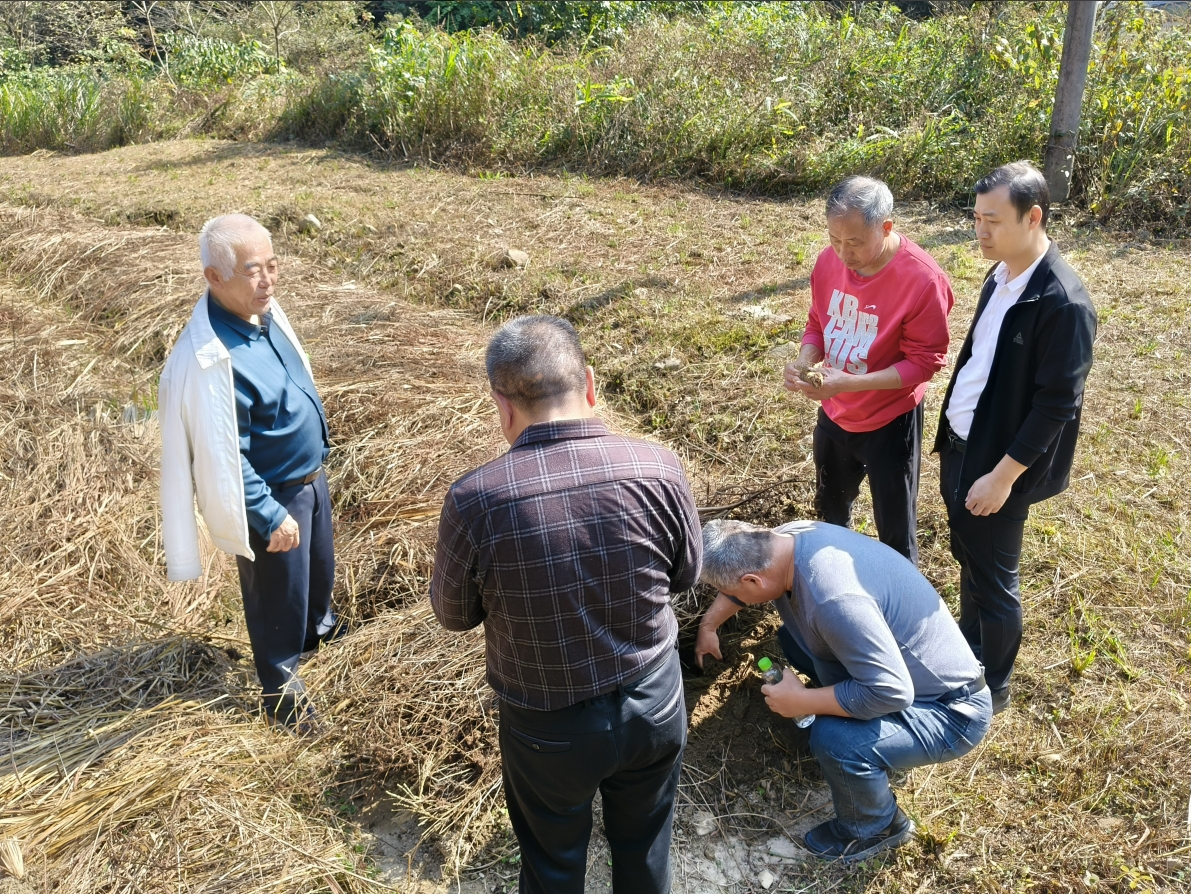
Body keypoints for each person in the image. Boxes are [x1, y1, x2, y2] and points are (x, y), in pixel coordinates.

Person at [430, 315, 702, 894]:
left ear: (502, 406)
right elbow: (686, 576)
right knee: (646, 848)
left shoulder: (475, 500)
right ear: (590, 384)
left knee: (552, 865)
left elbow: (453, 616)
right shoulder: (658, 468)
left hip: (546, 725)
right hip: (652, 701)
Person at [695, 518, 991, 861]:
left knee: (834, 740)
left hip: (950, 711)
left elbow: (892, 693)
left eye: (737, 591)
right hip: (909, 679)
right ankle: (880, 749)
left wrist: (802, 701)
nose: (735, 598)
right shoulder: (786, 540)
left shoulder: (832, 601)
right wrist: (709, 624)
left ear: (752, 580)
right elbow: (742, 580)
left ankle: (875, 827)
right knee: (794, 643)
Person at [159, 214, 342, 730]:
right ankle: (283, 696)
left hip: (309, 479)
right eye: (251, 270)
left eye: (272, 265)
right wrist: (267, 514)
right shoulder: (211, 357)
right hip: (273, 496)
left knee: (315, 577)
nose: (267, 280)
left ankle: (317, 634)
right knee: (276, 599)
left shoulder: (261, 314)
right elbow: (221, 452)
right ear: (214, 278)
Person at [935, 160, 1096, 715]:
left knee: (995, 578)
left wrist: (1003, 477)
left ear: (1034, 218)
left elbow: (1056, 405)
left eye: (993, 220)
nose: (980, 230)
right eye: (976, 217)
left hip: (996, 465)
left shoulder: (1063, 302)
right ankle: (969, 648)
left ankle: (992, 683)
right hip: (961, 446)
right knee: (969, 557)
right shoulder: (1000, 273)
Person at [784, 176, 954, 565]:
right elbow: (818, 321)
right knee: (830, 509)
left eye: (855, 242)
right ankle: (830, 581)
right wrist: (805, 360)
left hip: (889, 421)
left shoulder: (923, 279)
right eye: (834, 239)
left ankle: (898, 606)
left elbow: (924, 363)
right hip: (835, 412)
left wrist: (854, 383)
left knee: (895, 532)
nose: (843, 253)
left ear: (886, 227)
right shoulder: (828, 261)